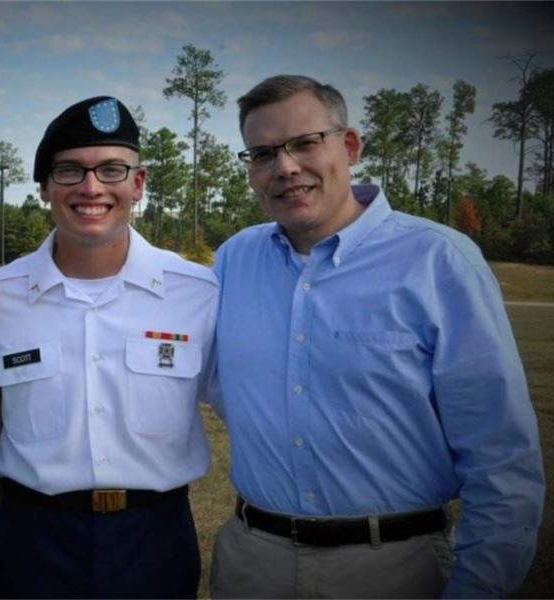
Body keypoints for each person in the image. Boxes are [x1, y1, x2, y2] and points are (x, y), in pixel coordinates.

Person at [209, 75, 545, 599]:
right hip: (253, 562)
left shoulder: (437, 261)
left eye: (304, 143)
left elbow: (500, 458)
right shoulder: (235, 260)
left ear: (349, 146)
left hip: (394, 566)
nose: (286, 167)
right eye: (264, 153)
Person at [0, 95, 218, 599]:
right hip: (34, 541)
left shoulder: (198, 292)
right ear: (44, 188)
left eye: (111, 170)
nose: (91, 187)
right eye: (69, 171)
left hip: (156, 539)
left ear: (138, 183)